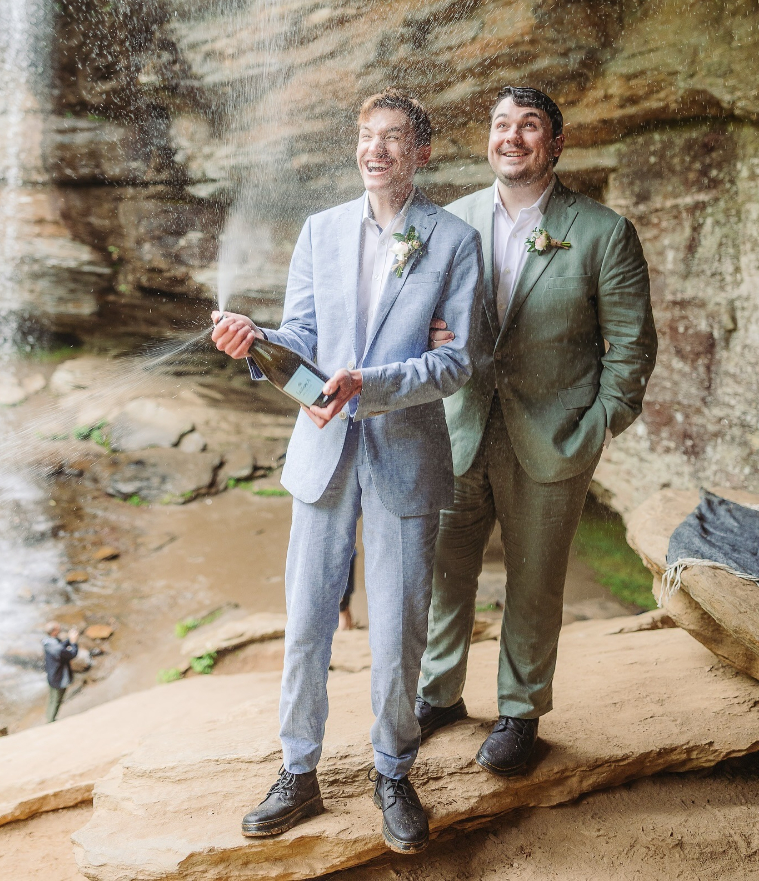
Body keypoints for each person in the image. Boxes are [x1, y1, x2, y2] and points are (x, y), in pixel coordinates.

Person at [212, 88, 482, 854]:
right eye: (366, 136)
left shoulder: (453, 240)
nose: (376, 150)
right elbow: (298, 333)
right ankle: (297, 773)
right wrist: (253, 337)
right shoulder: (319, 230)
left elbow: (457, 360)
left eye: (394, 138)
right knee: (306, 621)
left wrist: (374, 382)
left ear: (421, 152)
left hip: (407, 452)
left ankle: (393, 771)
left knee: (399, 630)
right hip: (322, 450)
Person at [417, 86, 657, 776]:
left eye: (529, 126)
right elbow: (415, 316)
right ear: (487, 138)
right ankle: (437, 695)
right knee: (443, 573)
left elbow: (631, 349)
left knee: (534, 581)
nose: (512, 137)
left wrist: (598, 424)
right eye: (500, 125)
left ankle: (520, 713)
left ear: (557, 140)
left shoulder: (603, 231)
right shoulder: (445, 221)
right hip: (456, 427)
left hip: (554, 437)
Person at [42, 621, 79, 723]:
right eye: (58, 628)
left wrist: (69, 639)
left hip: (51, 675)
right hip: (58, 677)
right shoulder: (56, 648)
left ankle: (49, 718)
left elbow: (61, 647)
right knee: (56, 700)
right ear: (54, 631)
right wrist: (73, 642)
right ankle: (50, 720)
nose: (60, 629)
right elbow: (71, 654)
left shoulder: (47, 642)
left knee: (52, 698)